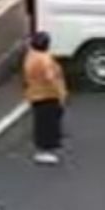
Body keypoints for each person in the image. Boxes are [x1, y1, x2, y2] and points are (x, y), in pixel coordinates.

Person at [23, 31, 68, 165]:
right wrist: (61, 93)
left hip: (35, 94)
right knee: (48, 124)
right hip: (48, 95)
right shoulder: (45, 60)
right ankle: (45, 152)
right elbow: (51, 78)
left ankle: (43, 148)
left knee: (41, 122)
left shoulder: (31, 56)